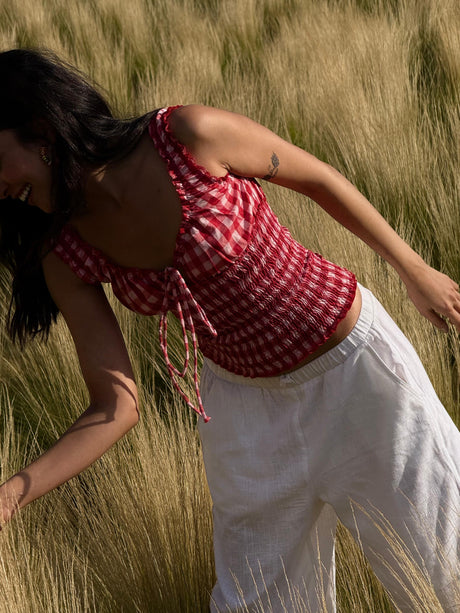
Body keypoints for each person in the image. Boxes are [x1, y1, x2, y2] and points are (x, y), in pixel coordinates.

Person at [0, 48, 458, 613]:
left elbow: (317, 178)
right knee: (256, 605)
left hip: (355, 376)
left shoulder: (186, 136)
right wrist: (11, 495)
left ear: (41, 129)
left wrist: (413, 269)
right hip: (243, 413)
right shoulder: (65, 253)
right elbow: (115, 405)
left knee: (446, 570)